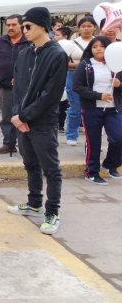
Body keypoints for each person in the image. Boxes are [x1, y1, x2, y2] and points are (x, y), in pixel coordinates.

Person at [8, 7, 67, 235]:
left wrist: (24, 116)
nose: (24, 30)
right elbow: (17, 89)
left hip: (42, 122)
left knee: (51, 169)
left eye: (28, 26)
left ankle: (52, 212)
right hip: (22, 122)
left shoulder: (56, 54)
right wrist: (17, 117)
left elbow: (51, 95)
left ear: (43, 26)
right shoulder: (25, 53)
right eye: (23, 26)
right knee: (30, 164)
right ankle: (34, 203)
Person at [73, 36, 122, 184]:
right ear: (91, 49)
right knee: (93, 142)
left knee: (119, 137)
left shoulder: (117, 65)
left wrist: (119, 84)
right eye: (94, 47)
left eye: (102, 46)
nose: (98, 49)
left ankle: (110, 164)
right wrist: (99, 96)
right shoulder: (86, 65)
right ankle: (92, 172)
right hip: (91, 110)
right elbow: (77, 87)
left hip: (114, 109)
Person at [0, 15, 31, 154]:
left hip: (26, 88)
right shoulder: (0, 41)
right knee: (6, 117)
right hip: (5, 87)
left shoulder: (29, 41)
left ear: (21, 25)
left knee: (24, 116)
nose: (10, 27)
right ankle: (8, 144)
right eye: (8, 25)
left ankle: (26, 146)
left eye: (14, 25)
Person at [65, 16, 97, 146]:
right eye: (83, 26)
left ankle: (93, 137)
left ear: (94, 27)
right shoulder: (71, 43)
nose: (86, 28)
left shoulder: (98, 42)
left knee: (94, 108)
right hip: (74, 76)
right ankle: (71, 134)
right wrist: (81, 65)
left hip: (95, 77)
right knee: (76, 107)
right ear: (79, 28)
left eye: (89, 26)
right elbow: (64, 63)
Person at [54, 26, 72, 133]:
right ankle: (56, 124)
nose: (55, 38)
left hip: (67, 76)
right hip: (56, 77)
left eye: (57, 35)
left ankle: (61, 124)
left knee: (64, 103)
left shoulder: (71, 47)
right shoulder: (53, 47)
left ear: (65, 36)